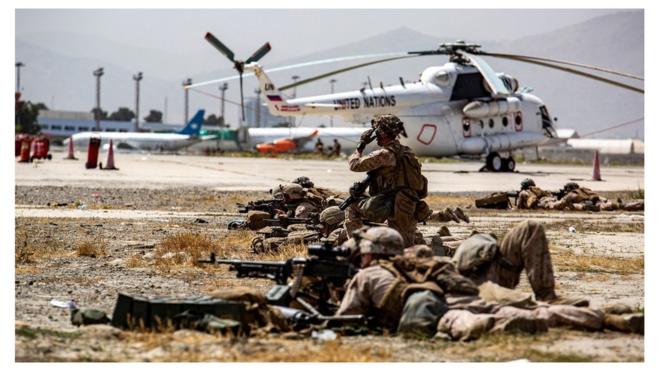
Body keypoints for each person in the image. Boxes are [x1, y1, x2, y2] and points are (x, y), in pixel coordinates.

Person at [344, 114, 428, 247]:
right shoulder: (407, 152)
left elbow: (354, 165)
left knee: (353, 204)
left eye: (377, 132)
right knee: (405, 244)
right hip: (410, 203)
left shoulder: (385, 154)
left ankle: (356, 246)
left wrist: (361, 146)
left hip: (396, 205)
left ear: (381, 133)